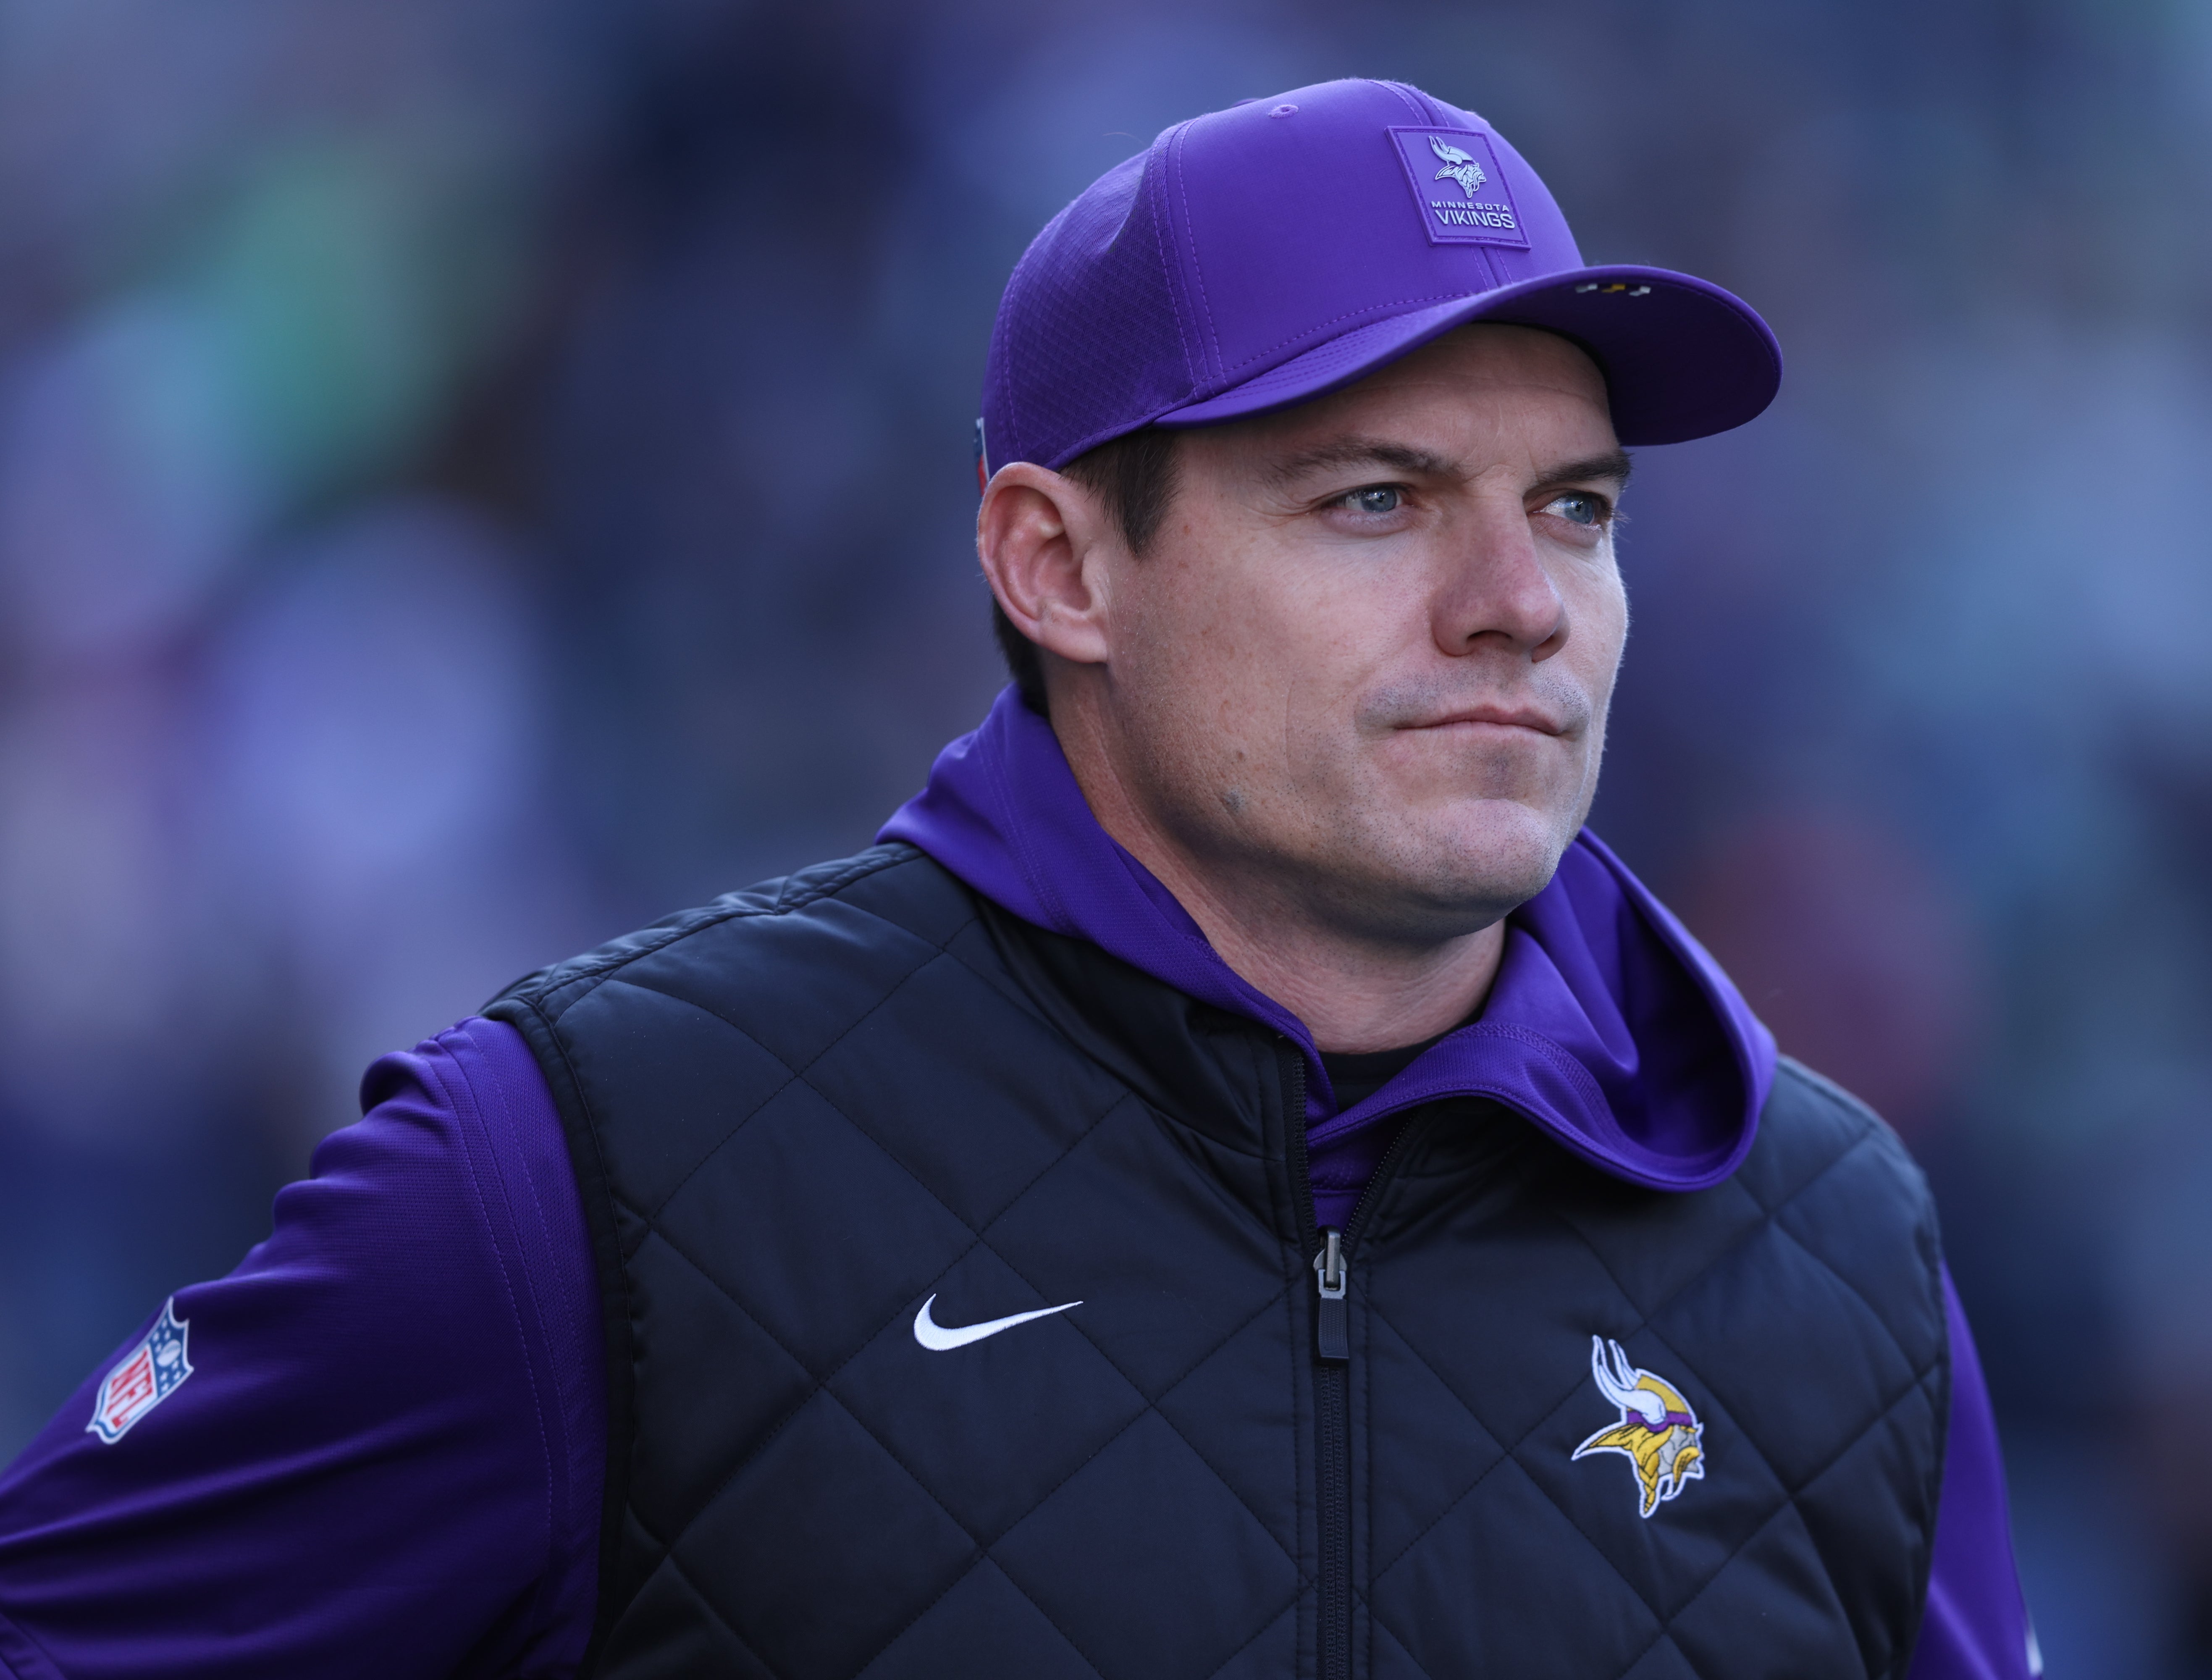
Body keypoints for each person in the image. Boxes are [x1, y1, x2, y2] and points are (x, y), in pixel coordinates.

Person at [0, 78, 2037, 1679]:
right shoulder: (598, 1171)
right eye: (1376, 500)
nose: (1522, 605)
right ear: (1058, 565)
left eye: (1573, 508)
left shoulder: (1837, 1256)